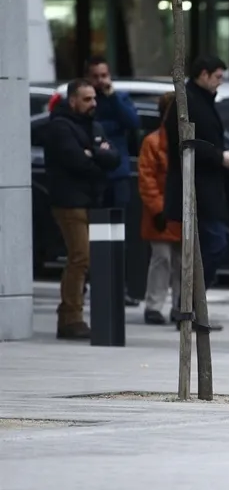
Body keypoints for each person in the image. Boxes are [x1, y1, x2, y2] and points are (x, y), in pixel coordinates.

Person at [44, 78, 120, 339]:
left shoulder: (94, 125)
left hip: (91, 201)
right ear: (73, 100)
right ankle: (70, 317)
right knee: (81, 257)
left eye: (94, 98)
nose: (93, 103)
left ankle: (74, 314)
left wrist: (94, 153)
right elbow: (75, 161)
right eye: (87, 99)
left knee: (86, 260)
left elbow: (114, 158)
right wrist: (95, 154)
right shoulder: (60, 127)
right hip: (69, 201)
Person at [164, 55, 229, 317]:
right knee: (213, 245)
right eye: (217, 76)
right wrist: (220, 157)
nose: (220, 82)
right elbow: (185, 144)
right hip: (195, 188)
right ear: (203, 74)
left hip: (206, 187)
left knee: (209, 247)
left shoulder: (201, 101)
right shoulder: (188, 103)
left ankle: (191, 306)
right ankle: (189, 306)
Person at [85, 55, 142, 307]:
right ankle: (92, 285)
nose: (100, 81)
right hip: (93, 177)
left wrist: (113, 96)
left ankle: (120, 287)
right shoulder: (86, 102)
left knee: (119, 235)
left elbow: (133, 122)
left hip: (117, 176)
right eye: (95, 77)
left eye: (103, 76)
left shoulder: (119, 98)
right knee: (92, 235)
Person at [139, 92, 182, 326]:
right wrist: (158, 210)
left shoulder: (180, 142)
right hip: (162, 213)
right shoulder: (153, 143)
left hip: (177, 211)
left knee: (181, 262)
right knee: (162, 258)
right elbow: (147, 180)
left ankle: (180, 305)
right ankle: (154, 305)